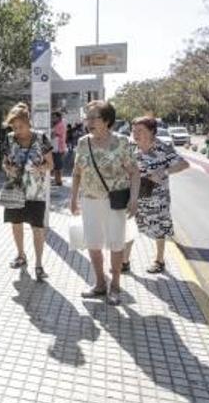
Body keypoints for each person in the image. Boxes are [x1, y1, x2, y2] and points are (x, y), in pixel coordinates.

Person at [70, 101, 140, 305]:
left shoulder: (122, 142)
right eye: (87, 117)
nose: (88, 122)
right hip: (89, 200)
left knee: (116, 244)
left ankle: (115, 285)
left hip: (114, 201)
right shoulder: (83, 142)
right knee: (93, 244)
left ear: (107, 120)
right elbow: (76, 173)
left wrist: (134, 198)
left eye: (94, 118)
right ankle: (100, 283)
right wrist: (73, 199)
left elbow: (134, 172)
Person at [121, 117, 189, 274]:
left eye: (140, 131)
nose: (135, 134)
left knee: (159, 228)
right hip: (135, 195)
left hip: (158, 197)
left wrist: (163, 171)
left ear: (152, 131)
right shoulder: (130, 147)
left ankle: (159, 261)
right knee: (130, 226)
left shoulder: (163, 147)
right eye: (134, 131)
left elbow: (184, 164)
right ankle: (124, 261)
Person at [1, 102, 54, 281]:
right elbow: (4, 162)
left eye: (20, 127)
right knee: (16, 225)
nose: (17, 130)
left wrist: (40, 169)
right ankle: (21, 255)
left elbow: (51, 164)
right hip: (14, 188)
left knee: (37, 228)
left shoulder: (41, 138)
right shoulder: (9, 139)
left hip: (36, 192)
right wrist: (8, 169)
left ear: (28, 123)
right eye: (14, 127)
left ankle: (39, 264)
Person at [51, 111, 68, 186]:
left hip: (58, 148)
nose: (53, 118)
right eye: (53, 117)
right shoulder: (57, 124)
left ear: (58, 117)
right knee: (56, 165)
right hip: (56, 147)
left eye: (55, 117)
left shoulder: (60, 124)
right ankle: (57, 180)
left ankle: (58, 181)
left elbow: (54, 135)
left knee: (58, 166)